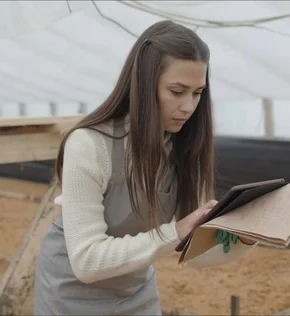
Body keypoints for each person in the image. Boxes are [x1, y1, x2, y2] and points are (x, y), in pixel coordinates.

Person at [33, 20, 257, 315]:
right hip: (70, 294)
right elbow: (87, 262)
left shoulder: (183, 147)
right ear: (143, 84)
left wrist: (244, 238)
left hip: (136, 291)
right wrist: (175, 231)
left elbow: (193, 251)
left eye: (197, 93)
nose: (189, 107)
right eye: (177, 91)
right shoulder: (89, 145)